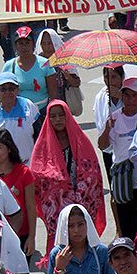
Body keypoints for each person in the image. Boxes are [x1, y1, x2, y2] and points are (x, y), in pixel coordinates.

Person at [31, 99, 106, 260]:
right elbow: (37, 175)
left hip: (81, 201)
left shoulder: (80, 140)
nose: (57, 119)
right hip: (56, 204)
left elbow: (93, 172)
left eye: (61, 115)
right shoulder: (43, 144)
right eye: (53, 116)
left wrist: (79, 191)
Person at [99, 77, 137, 239]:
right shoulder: (113, 118)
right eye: (127, 95)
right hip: (123, 181)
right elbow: (102, 146)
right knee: (127, 227)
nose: (130, 100)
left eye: (134, 96)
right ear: (122, 97)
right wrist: (107, 129)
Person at [0, 127, 36, 256]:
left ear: (9, 148)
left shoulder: (24, 172)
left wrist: (32, 238)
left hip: (20, 234)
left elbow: (31, 207)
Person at [47, 205, 114, 274]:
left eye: (80, 224)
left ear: (88, 224)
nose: (76, 230)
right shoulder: (57, 254)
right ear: (64, 228)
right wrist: (59, 269)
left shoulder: (101, 252)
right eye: (70, 226)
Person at [0, 73, 41, 164]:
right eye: (3, 89)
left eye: (11, 89)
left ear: (17, 90)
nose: (7, 92)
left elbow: (39, 134)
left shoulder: (28, 106)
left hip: (26, 164)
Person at [3, 26, 57, 112]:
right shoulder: (9, 66)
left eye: (27, 43)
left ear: (33, 44)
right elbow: (2, 93)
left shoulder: (45, 64)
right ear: (15, 46)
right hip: (18, 112)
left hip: (42, 111)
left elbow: (54, 94)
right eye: (21, 43)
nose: (24, 47)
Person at [36, 29, 81, 105]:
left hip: (62, 103)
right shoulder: (37, 61)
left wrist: (68, 77)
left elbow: (77, 83)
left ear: (55, 43)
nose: (46, 47)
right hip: (43, 104)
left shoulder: (63, 60)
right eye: (44, 43)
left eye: (49, 43)